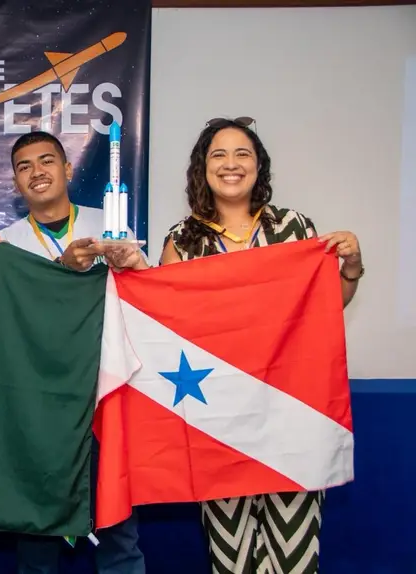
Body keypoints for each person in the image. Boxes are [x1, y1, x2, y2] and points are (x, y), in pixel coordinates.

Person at [159, 116, 363, 574]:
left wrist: (351, 266)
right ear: (202, 168)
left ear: (258, 166)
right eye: (219, 155)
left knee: (294, 557)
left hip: (293, 415)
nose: (231, 164)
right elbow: (165, 326)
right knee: (231, 560)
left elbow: (328, 306)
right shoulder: (183, 240)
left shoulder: (295, 228)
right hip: (220, 423)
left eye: (242, 154)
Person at [0, 130, 147, 574]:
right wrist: (58, 269)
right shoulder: (5, 246)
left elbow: (143, 303)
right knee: (37, 539)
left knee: (119, 534)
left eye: (47, 161)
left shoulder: (108, 224)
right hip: (35, 409)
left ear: (68, 168)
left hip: (103, 398)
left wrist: (133, 265)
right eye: (24, 166)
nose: (37, 172)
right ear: (15, 183)